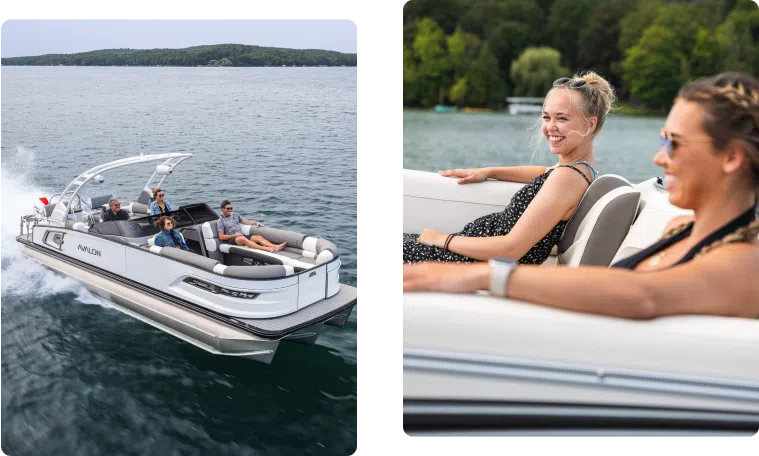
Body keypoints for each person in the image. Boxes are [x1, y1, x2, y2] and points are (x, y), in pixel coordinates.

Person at [402, 72, 759, 320]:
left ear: (732, 158)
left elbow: (641, 294)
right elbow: (551, 174)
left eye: (674, 143)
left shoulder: (743, 263)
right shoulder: (683, 229)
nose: (658, 158)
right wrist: (491, 171)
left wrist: (483, 276)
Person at [401, 71, 614, 266]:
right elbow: (544, 172)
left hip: (477, 261)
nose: (550, 127)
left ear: (590, 124)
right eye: (547, 117)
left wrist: (442, 239)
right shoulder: (579, 168)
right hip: (472, 252)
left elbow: (511, 249)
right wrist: (490, 171)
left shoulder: (567, 177)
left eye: (562, 118)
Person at [217, 200, 287, 252]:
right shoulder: (220, 220)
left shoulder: (235, 215)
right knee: (242, 239)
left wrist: (255, 222)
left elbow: (246, 221)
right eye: (228, 209)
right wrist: (235, 235)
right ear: (223, 209)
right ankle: (267, 249)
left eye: (231, 208)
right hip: (231, 239)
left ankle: (276, 246)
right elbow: (221, 236)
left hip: (241, 235)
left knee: (258, 237)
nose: (230, 210)